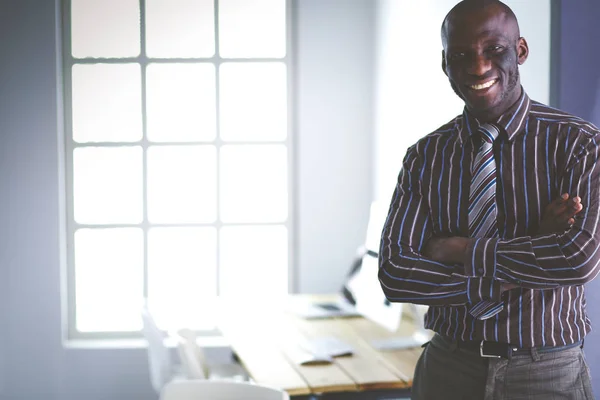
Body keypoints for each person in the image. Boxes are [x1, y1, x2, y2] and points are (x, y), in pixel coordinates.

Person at [377, 1, 599, 399]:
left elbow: (578, 258)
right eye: (460, 56)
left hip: (546, 373)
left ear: (521, 51)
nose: (477, 68)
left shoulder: (579, 144)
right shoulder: (425, 156)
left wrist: (458, 250)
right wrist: (524, 257)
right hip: (448, 368)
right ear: (445, 64)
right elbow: (395, 273)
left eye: (494, 49)